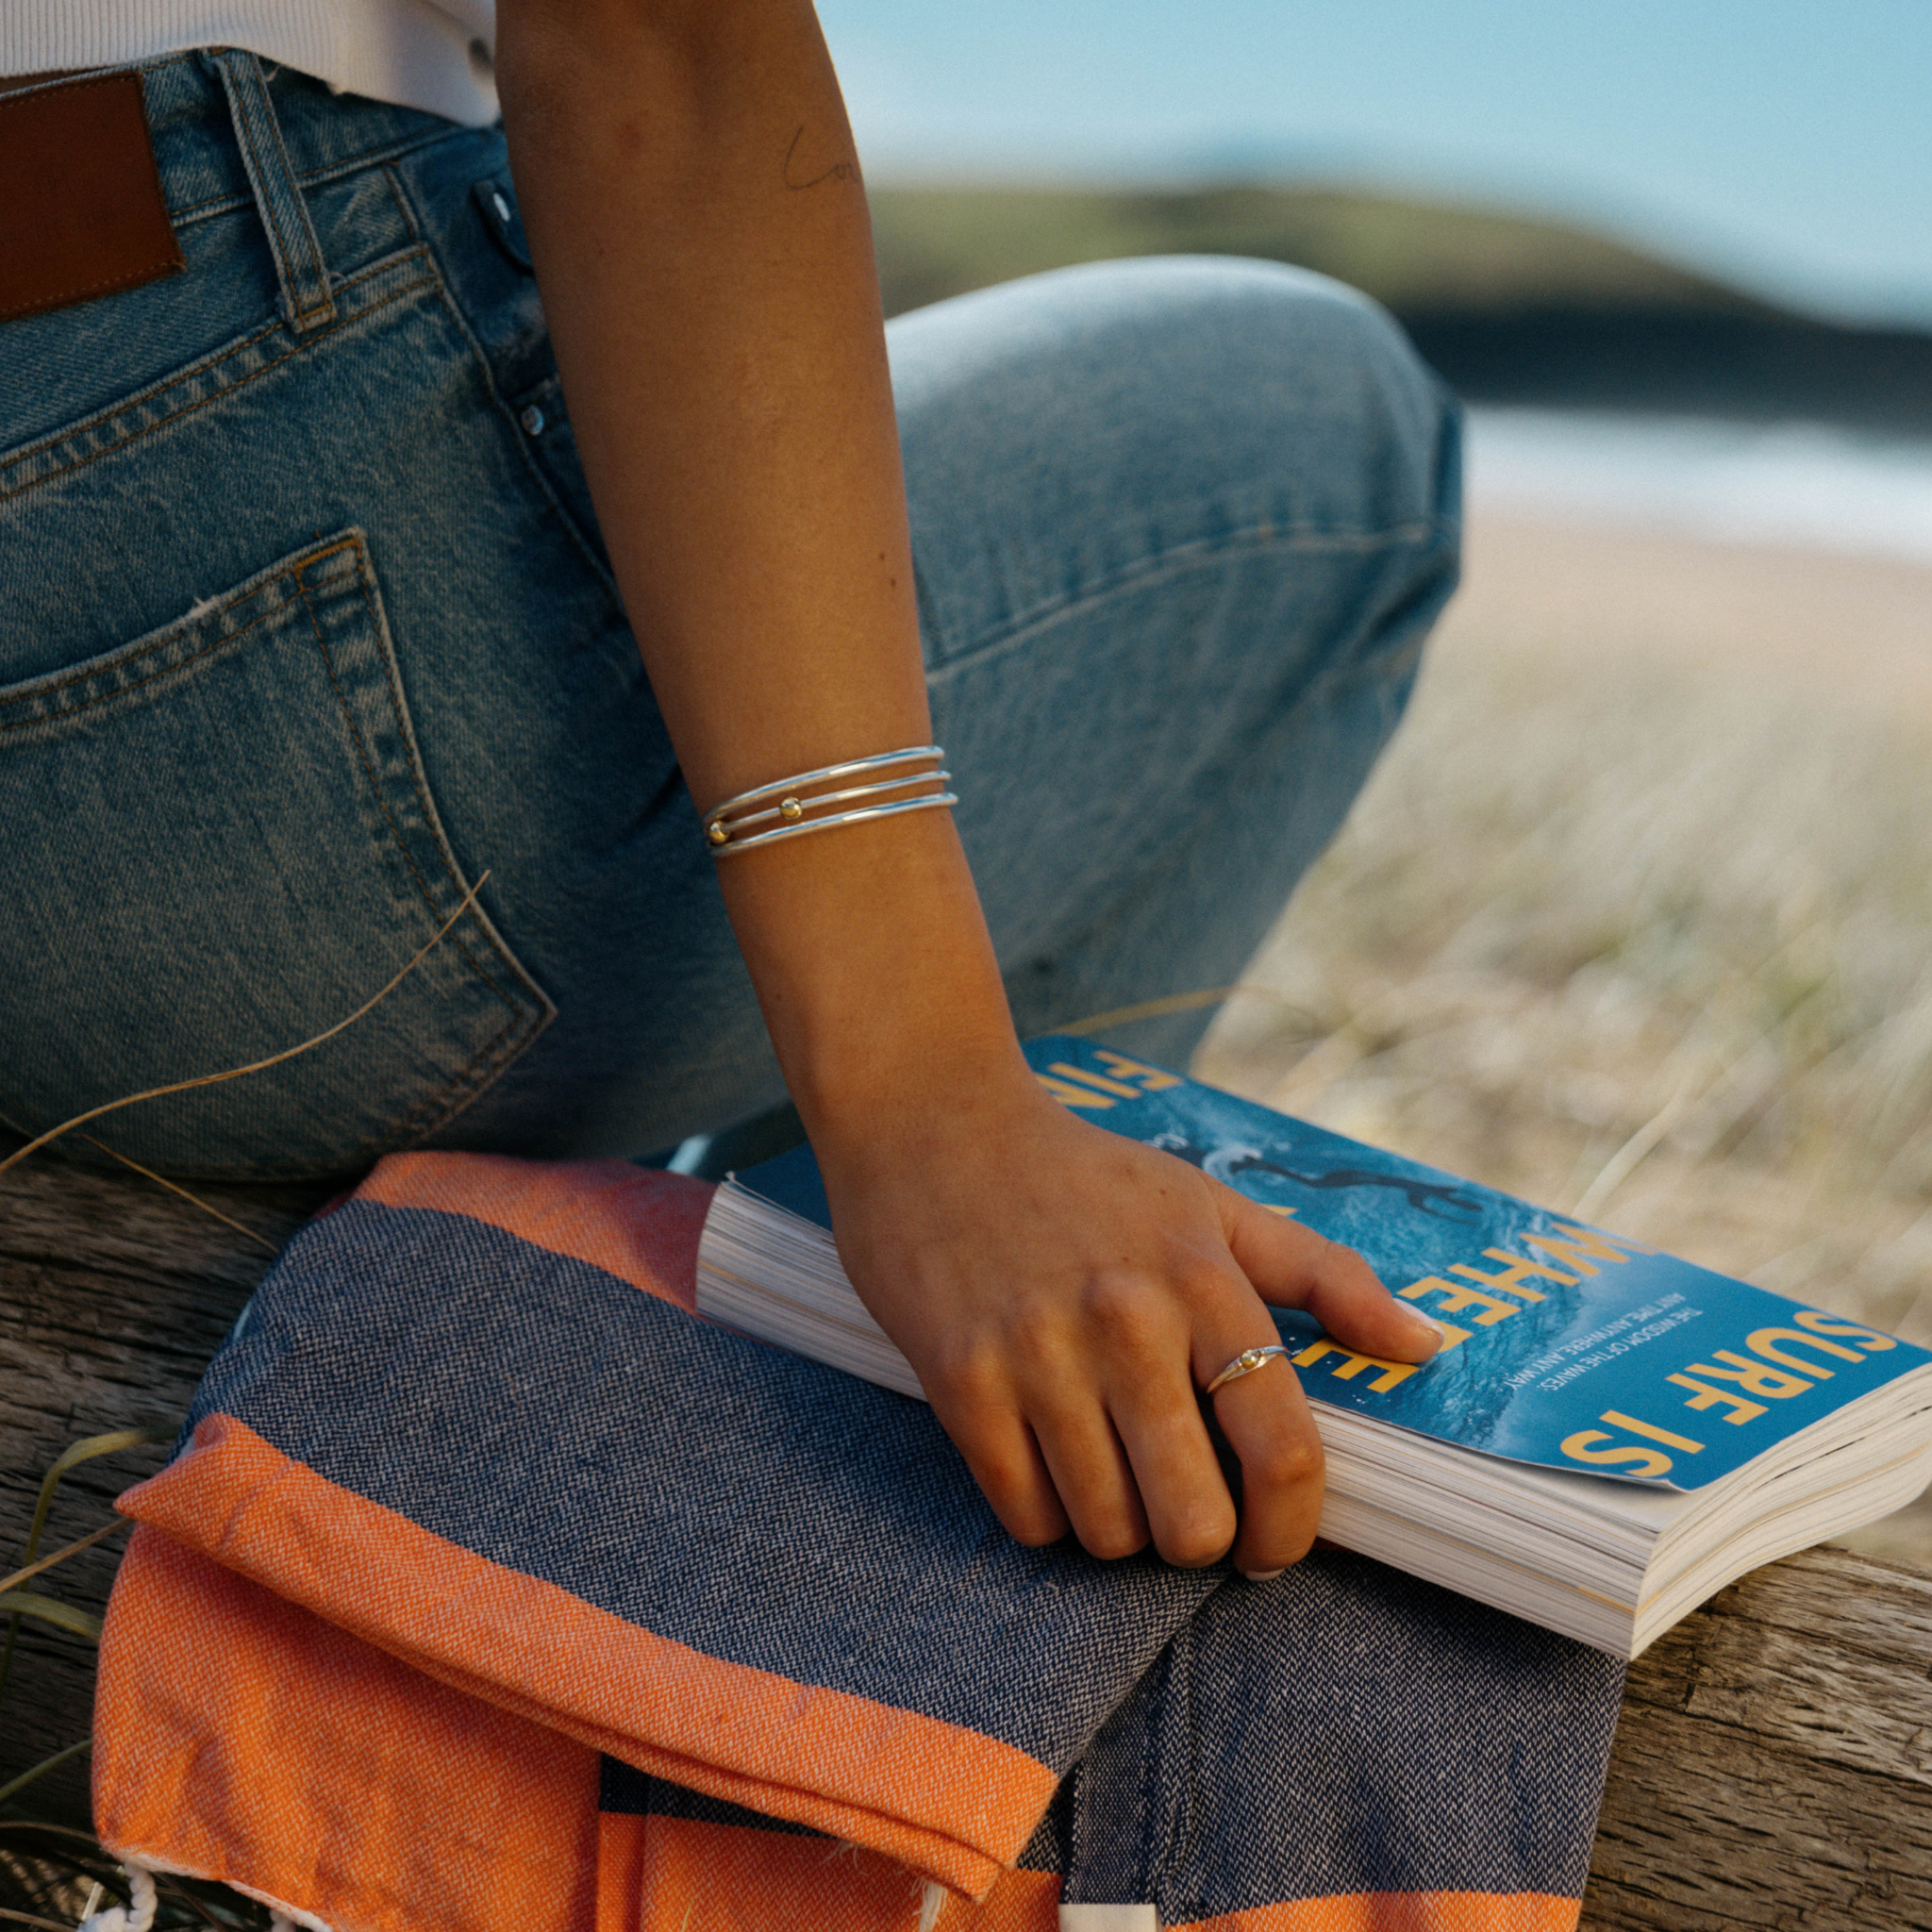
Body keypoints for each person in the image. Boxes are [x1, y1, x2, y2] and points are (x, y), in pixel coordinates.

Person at [0, 2, 1458, 1586]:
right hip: (201, 708)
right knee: (1331, 431)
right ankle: (838, 1559)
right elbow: (658, 40)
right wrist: (928, 1102)